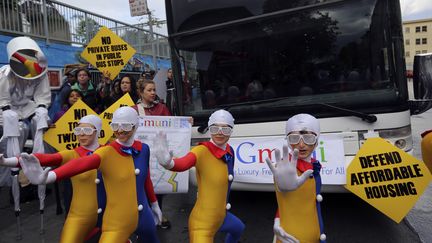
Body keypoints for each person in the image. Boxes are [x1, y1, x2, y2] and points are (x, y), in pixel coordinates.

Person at [20, 107, 161, 243]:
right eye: (115, 125)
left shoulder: (144, 149)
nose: (119, 130)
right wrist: (50, 176)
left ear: (136, 125)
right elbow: (81, 164)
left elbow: (145, 179)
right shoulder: (106, 152)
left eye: (125, 126)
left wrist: (154, 204)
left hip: (145, 217)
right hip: (117, 221)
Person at [154, 109, 245, 243]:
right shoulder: (201, 150)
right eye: (215, 128)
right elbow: (183, 163)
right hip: (202, 224)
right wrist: (168, 163)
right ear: (209, 129)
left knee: (239, 228)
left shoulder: (229, 151)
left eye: (225, 129)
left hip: (222, 217)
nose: (220, 132)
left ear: (231, 131)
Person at [265, 114, 326, 243]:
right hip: (293, 236)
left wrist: (277, 220)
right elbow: (283, 198)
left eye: (308, 138)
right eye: (294, 138)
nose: (301, 144)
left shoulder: (313, 165)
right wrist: (283, 188)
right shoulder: (283, 169)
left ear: (316, 140)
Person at [133, 77, 171, 229]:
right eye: (149, 90)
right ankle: (145, 215)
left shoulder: (162, 108)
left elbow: (172, 126)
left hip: (158, 152)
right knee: (143, 184)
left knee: (159, 184)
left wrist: (185, 124)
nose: (153, 93)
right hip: (141, 153)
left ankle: (159, 213)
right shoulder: (134, 110)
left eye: (154, 90)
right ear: (140, 92)